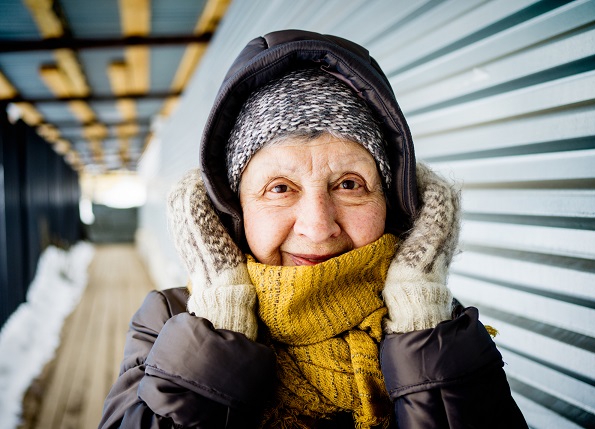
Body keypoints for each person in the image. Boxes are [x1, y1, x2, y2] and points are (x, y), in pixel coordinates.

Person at [99, 30, 528, 429]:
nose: (318, 227)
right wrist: (219, 332)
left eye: (348, 184)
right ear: (235, 209)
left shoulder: (438, 327)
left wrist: (422, 333)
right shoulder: (172, 321)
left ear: (391, 201)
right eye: (279, 188)